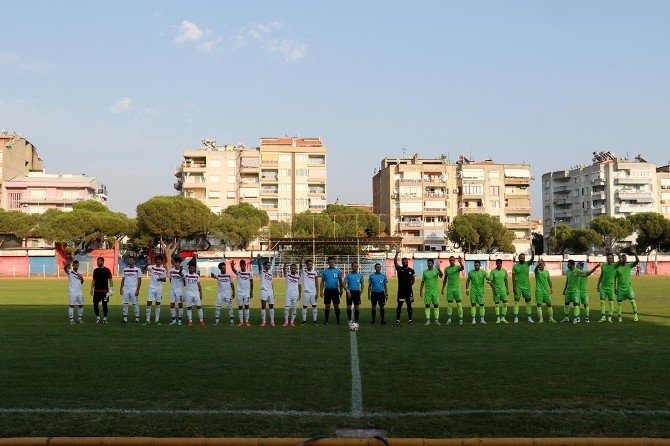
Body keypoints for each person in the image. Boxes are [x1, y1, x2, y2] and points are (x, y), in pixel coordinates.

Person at [615, 250, 640, 322]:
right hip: (620, 287)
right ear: (621, 259)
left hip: (628, 287)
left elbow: (637, 261)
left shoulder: (629, 265)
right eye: (623, 258)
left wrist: (635, 253)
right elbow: (614, 278)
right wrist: (614, 288)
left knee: (632, 301)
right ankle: (619, 317)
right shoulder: (617, 268)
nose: (625, 260)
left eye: (625, 258)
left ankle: (635, 315)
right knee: (619, 303)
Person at [512, 249, 535, 323]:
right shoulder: (515, 266)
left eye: (524, 258)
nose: (523, 259)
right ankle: (516, 317)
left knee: (528, 302)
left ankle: (529, 317)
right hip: (518, 286)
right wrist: (514, 287)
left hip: (526, 287)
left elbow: (532, 259)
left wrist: (533, 252)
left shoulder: (527, 263)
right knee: (516, 302)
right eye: (521, 258)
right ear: (518, 258)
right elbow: (513, 277)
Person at [440, 256, 465, 325]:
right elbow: (445, 279)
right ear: (449, 261)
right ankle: (449, 319)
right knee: (449, 305)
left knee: (459, 304)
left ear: (455, 261)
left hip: (457, 288)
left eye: (453, 260)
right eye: (450, 260)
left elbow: (462, 268)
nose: (452, 261)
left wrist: (460, 262)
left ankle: (460, 319)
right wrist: (442, 288)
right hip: (449, 289)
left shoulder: (457, 267)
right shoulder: (446, 269)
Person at [394, 250, 415, 325]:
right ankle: (398, 320)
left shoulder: (411, 271)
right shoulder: (399, 269)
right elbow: (395, 262)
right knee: (399, 306)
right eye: (404, 262)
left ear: (408, 262)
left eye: (406, 262)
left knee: (409, 305)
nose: (405, 263)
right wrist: (396, 254)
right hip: (401, 292)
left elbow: (413, 280)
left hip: (409, 292)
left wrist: (409, 286)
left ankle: (410, 320)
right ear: (402, 263)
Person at [320, 256, 344, 325]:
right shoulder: (325, 272)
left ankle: (338, 320)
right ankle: (326, 320)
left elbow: (340, 281)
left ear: (334, 262)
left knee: (336, 306)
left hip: (335, 291)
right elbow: (322, 282)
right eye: (330, 262)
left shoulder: (338, 271)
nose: (331, 263)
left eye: (332, 262)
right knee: (327, 306)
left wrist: (341, 290)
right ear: (328, 263)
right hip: (327, 291)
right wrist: (321, 291)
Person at [144, 255, 167, 326]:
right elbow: (145, 268)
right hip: (151, 288)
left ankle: (157, 320)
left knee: (158, 304)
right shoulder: (152, 267)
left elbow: (165, 279)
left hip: (159, 289)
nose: (159, 261)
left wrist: (160, 279)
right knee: (148, 304)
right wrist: (147, 263)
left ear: (161, 261)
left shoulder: (163, 269)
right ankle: (147, 320)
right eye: (157, 259)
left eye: (160, 260)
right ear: (156, 260)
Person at [420, 258, 443, 325]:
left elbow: (441, 275)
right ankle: (428, 320)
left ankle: (436, 320)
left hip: (435, 292)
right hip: (427, 292)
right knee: (427, 306)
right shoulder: (425, 272)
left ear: (432, 264)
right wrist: (420, 290)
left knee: (436, 305)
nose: (428, 264)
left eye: (430, 263)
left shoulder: (436, 271)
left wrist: (438, 268)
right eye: (428, 263)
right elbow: (422, 282)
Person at [211, 261, 235, 325]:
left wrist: (233, 292)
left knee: (229, 307)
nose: (224, 269)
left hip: (228, 293)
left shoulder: (228, 275)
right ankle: (216, 321)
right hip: (220, 294)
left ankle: (232, 320)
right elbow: (214, 276)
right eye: (223, 268)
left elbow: (232, 284)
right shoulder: (218, 275)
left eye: (225, 268)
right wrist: (212, 275)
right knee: (218, 307)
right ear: (220, 269)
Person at [120, 255, 142, 324]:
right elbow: (123, 279)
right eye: (129, 260)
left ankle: (137, 319)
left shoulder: (137, 270)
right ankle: (125, 319)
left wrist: (138, 289)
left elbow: (139, 280)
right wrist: (121, 288)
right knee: (125, 304)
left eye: (131, 260)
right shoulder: (125, 269)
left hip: (134, 289)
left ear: (134, 261)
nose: (130, 261)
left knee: (135, 304)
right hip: (126, 289)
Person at [90, 256, 113, 324]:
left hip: (105, 291)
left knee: (104, 304)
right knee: (95, 304)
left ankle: (105, 318)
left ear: (102, 262)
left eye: (99, 261)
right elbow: (94, 280)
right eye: (97, 261)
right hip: (97, 290)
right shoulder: (95, 270)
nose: (97, 262)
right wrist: (91, 289)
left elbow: (110, 280)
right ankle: (98, 317)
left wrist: (111, 289)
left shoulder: (107, 270)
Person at [231, 258, 253, 327]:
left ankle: (246, 321)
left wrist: (251, 292)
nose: (243, 266)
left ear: (245, 265)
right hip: (239, 292)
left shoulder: (249, 272)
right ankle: (241, 322)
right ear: (240, 265)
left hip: (246, 292)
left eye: (244, 265)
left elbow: (252, 282)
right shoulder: (238, 272)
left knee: (247, 306)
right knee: (240, 307)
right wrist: (232, 266)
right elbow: (234, 271)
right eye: (241, 265)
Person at [465, 260, 488, 324]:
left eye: (477, 265)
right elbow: (467, 281)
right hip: (473, 292)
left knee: (482, 305)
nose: (476, 266)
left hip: (481, 292)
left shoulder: (483, 272)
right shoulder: (471, 272)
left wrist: (489, 281)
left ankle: (482, 319)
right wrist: (467, 289)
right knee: (473, 305)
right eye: (475, 265)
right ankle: (473, 320)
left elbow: (488, 278)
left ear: (480, 265)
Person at [596, 253, 617, 323]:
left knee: (611, 302)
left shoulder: (615, 266)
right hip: (603, 286)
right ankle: (603, 317)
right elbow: (601, 276)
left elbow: (621, 262)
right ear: (606, 259)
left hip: (611, 287)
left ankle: (610, 317)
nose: (609, 259)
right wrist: (598, 285)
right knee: (602, 302)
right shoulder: (603, 266)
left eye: (610, 258)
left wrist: (619, 254)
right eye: (608, 258)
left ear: (613, 259)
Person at [257, 254, 276, 327]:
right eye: (268, 265)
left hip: (270, 292)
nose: (269, 266)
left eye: (270, 265)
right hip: (263, 291)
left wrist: (273, 292)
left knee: (271, 307)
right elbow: (259, 266)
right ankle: (264, 321)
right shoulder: (262, 271)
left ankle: (272, 321)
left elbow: (272, 284)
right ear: (264, 266)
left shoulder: (270, 273)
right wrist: (259, 260)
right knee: (263, 307)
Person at [64, 259, 84, 324]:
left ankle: (79, 319)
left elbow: (82, 282)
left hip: (79, 292)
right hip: (72, 291)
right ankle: (71, 320)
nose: (76, 266)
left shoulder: (80, 272)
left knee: (81, 305)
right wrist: (68, 264)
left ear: (78, 265)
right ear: (73, 265)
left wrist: (81, 277)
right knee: (72, 305)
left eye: (77, 265)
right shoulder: (70, 271)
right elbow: (65, 269)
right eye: (75, 265)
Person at [344, 262, 364, 326]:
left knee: (357, 307)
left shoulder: (360, 275)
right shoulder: (348, 275)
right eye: (354, 266)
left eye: (357, 266)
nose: (356, 267)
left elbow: (362, 283)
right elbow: (344, 284)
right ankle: (349, 320)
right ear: (351, 267)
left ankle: (356, 321)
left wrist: (361, 290)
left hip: (357, 292)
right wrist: (347, 291)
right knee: (349, 306)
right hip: (350, 292)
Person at [489, 259, 509, 324]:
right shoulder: (493, 271)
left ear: (501, 264)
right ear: (496, 264)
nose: (499, 264)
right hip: (496, 291)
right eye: (498, 263)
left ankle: (503, 318)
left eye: (500, 263)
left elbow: (506, 280)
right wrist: (494, 290)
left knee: (505, 304)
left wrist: (507, 289)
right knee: (497, 304)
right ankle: (498, 318)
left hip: (503, 290)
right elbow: (490, 282)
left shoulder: (504, 271)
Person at [301, 259, 319, 326]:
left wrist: (317, 292)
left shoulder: (315, 272)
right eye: (309, 264)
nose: (310, 265)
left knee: (314, 306)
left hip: (313, 292)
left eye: (311, 264)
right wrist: (301, 259)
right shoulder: (303, 271)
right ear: (306, 265)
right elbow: (300, 266)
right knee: (304, 306)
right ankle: (304, 321)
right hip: (306, 292)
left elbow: (316, 283)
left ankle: (314, 321)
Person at [283, 262, 301, 327]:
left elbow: (299, 286)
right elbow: (284, 270)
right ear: (290, 269)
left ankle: (292, 322)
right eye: (292, 268)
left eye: (294, 268)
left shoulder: (298, 276)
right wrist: (285, 264)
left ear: (296, 269)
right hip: (288, 294)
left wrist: (300, 294)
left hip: (295, 294)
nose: (293, 269)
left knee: (294, 309)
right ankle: (286, 322)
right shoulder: (288, 275)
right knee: (286, 308)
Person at [168, 257, 185, 325]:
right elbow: (170, 279)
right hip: (172, 289)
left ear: (179, 263)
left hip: (179, 290)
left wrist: (180, 271)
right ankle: (174, 320)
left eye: (177, 263)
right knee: (172, 304)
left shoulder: (183, 271)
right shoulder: (171, 270)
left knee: (180, 304)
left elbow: (182, 276)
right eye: (175, 262)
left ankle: (180, 320)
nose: (176, 264)